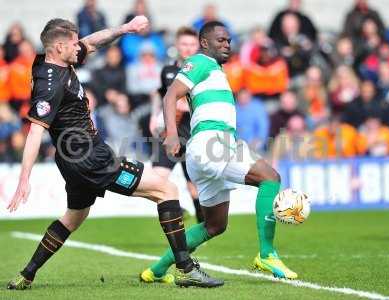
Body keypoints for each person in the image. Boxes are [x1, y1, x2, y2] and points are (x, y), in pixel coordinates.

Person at [6, 16, 222, 290]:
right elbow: (35, 131)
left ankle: (27, 274)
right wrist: (25, 179)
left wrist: (126, 28)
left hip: (72, 160)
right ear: (59, 47)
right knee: (166, 190)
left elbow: (92, 43)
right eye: (74, 43)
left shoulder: (54, 61)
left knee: (74, 216)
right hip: (90, 158)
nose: (79, 47)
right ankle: (185, 269)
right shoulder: (50, 86)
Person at [140, 21, 298, 283]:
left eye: (229, 41)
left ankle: (156, 270)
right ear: (204, 42)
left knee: (215, 225)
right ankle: (267, 254)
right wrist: (170, 134)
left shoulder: (214, 70)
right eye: (221, 40)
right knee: (270, 178)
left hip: (208, 149)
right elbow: (170, 96)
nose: (227, 45)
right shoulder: (199, 62)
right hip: (211, 143)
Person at [148, 27, 204, 228]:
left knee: (194, 189)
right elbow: (160, 94)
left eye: (191, 45)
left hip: (192, 137)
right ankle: (178, 210)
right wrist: (154, 116)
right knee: (155, 181)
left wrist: (186, 105)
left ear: (197, 47)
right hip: (170, 136)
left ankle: (202, 227)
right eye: (184, 44)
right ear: (177, 46)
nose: (187, 48)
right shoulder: (168, 71)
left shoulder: (202, 72)